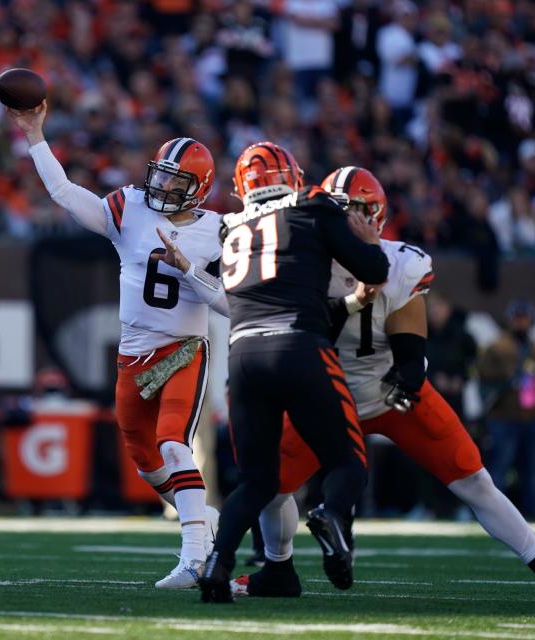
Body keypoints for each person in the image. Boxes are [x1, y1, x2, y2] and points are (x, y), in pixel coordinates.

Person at [229, 168, 535, 599]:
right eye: (342, 212)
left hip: (386, 395)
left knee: (474, 479)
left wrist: (412, 369)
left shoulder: (401, 262)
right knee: (270, 486)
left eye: (358, 210)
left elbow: (408, 337)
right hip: (322, 395)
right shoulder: (309, 262)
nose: (351, 221)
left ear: (376, 215)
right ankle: (278, 570)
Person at [8, 101, 224, 589]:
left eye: (177, 181)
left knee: (173, 441)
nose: (164, 187)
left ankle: (195, 556)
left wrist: (189, 269)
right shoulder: (129, 206)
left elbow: (232, 307)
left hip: (183, 350)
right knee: (145, 458)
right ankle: (201, 517)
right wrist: (35, 135)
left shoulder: (216, 231)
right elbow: (64, 192)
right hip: (132, 355)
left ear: (200, 190)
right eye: (162, 176)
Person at [198, 147, 389, 603]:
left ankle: (217, 565)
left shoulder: (230, 226)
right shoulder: (313, 206)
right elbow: (374, 270)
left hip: (243, 358)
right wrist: (367, 241)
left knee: (257, 481)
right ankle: (331, 514)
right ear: (293, 176)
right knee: (346, 461)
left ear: (244, 186)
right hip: (300, 345)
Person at [478, 300, 535, 516]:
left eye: (524, 318)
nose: (520, 322)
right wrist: (507, 379)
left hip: (530, 417)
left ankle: (529, 513)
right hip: (504, 415)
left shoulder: (531, 348)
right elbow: (482, 375)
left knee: (529, 471)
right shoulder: (496, 346)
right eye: (517, 318)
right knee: (499, 467)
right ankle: (495, 513)